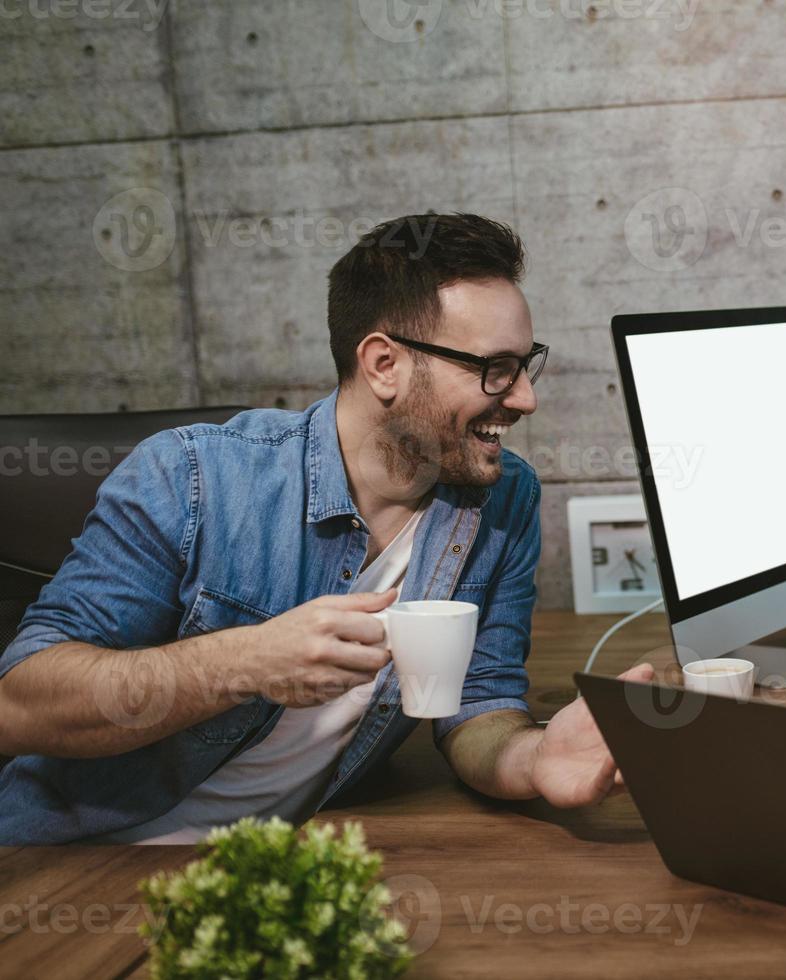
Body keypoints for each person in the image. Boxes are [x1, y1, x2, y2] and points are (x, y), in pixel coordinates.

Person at [0, 212, 652, 845]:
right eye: (494, 369)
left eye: (524, 364)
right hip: (84, 862)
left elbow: (478, 704)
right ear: (383, 364)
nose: (524, 398)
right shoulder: (191, 477)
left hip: (291, 869)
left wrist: (534, 758)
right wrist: (244, 662)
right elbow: (18, 705)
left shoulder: (504, 499)